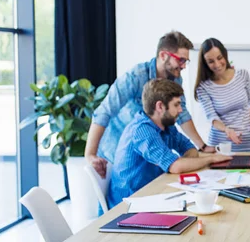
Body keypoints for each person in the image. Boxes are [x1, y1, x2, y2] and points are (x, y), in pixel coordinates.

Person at [85, 31, 216, 178]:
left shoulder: (174, 78)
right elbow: (104, 111)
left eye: (186, 61)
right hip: (118, 151)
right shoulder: (136, 77)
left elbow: (182, 114)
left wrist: (202, 146)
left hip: (146, 152)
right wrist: (90, 154)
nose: (184, 66)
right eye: (181, 60)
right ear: (163, 55)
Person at [106, 79, 232, 209]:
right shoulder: (142, 130)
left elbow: (190, 150)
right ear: (160, 106)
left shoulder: (166, 125)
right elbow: (176, 167)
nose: (180, 110)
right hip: (128, 204)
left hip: (153, 193)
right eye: (176, 105)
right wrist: (211, 158)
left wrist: (181, 164)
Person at [194, 38, 250, 152]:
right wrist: (227, 130)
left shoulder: (242, 75)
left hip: (246, 143)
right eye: (211, 61)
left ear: (225, 55)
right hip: (221, 146)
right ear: (205, 63)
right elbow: (212, 118)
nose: (217, 64)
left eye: (219, 58)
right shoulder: (203, 87)